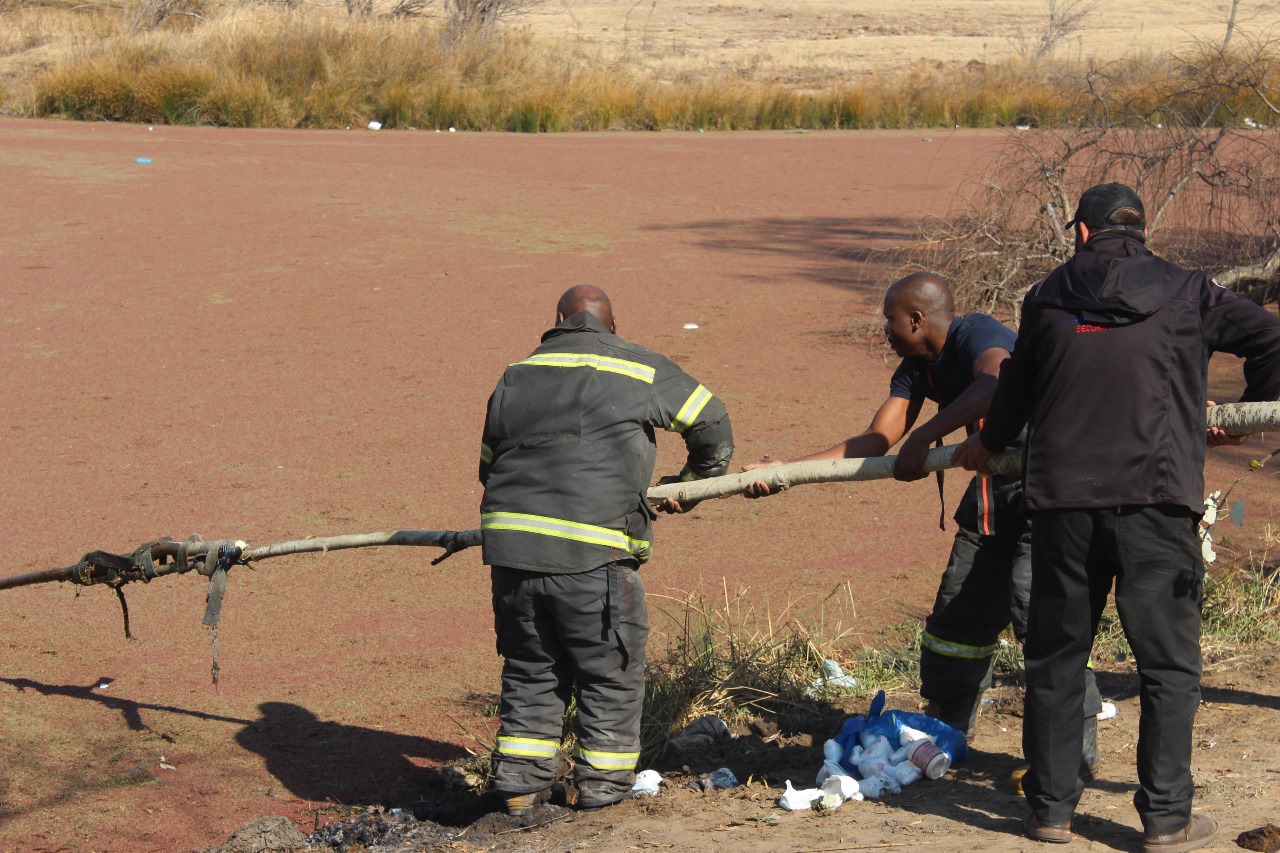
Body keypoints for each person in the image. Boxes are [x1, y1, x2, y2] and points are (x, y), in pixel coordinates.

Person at [953, 182, 1280, 850]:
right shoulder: (1191, 291)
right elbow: (1272, 337)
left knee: (1057, 656)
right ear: (1141, 231)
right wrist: (1246, 416)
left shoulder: (1046, 297)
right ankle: (1165, 818)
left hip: (1064, 505)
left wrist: (986, 446)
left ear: (1081, 233)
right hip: (1157, 502)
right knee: (1167, 664)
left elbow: (1014, 393)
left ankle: (1050, 811)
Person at [745, 272, 1101, 757]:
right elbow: (875, 441)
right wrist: (789, 470)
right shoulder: (917, 367)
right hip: (992, 494)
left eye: (889, 320)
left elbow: (997, 382)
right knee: (957, 615)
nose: (885, 331)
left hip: (1051, 487)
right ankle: (947, 735)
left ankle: (1068, 760)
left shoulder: (977, 333)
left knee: (1037, 607)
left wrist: (925, 434)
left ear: (916, 319)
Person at [479, 284, 734, 815]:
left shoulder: (515, 374)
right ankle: (602, 792)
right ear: (611, 327)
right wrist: (692, 484)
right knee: (609, 671)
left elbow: (489, 465)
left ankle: (521, 788)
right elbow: (711, 422)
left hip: (511, 556)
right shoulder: (639, 366)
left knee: (532, 669)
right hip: (593, 558)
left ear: (557, 321)